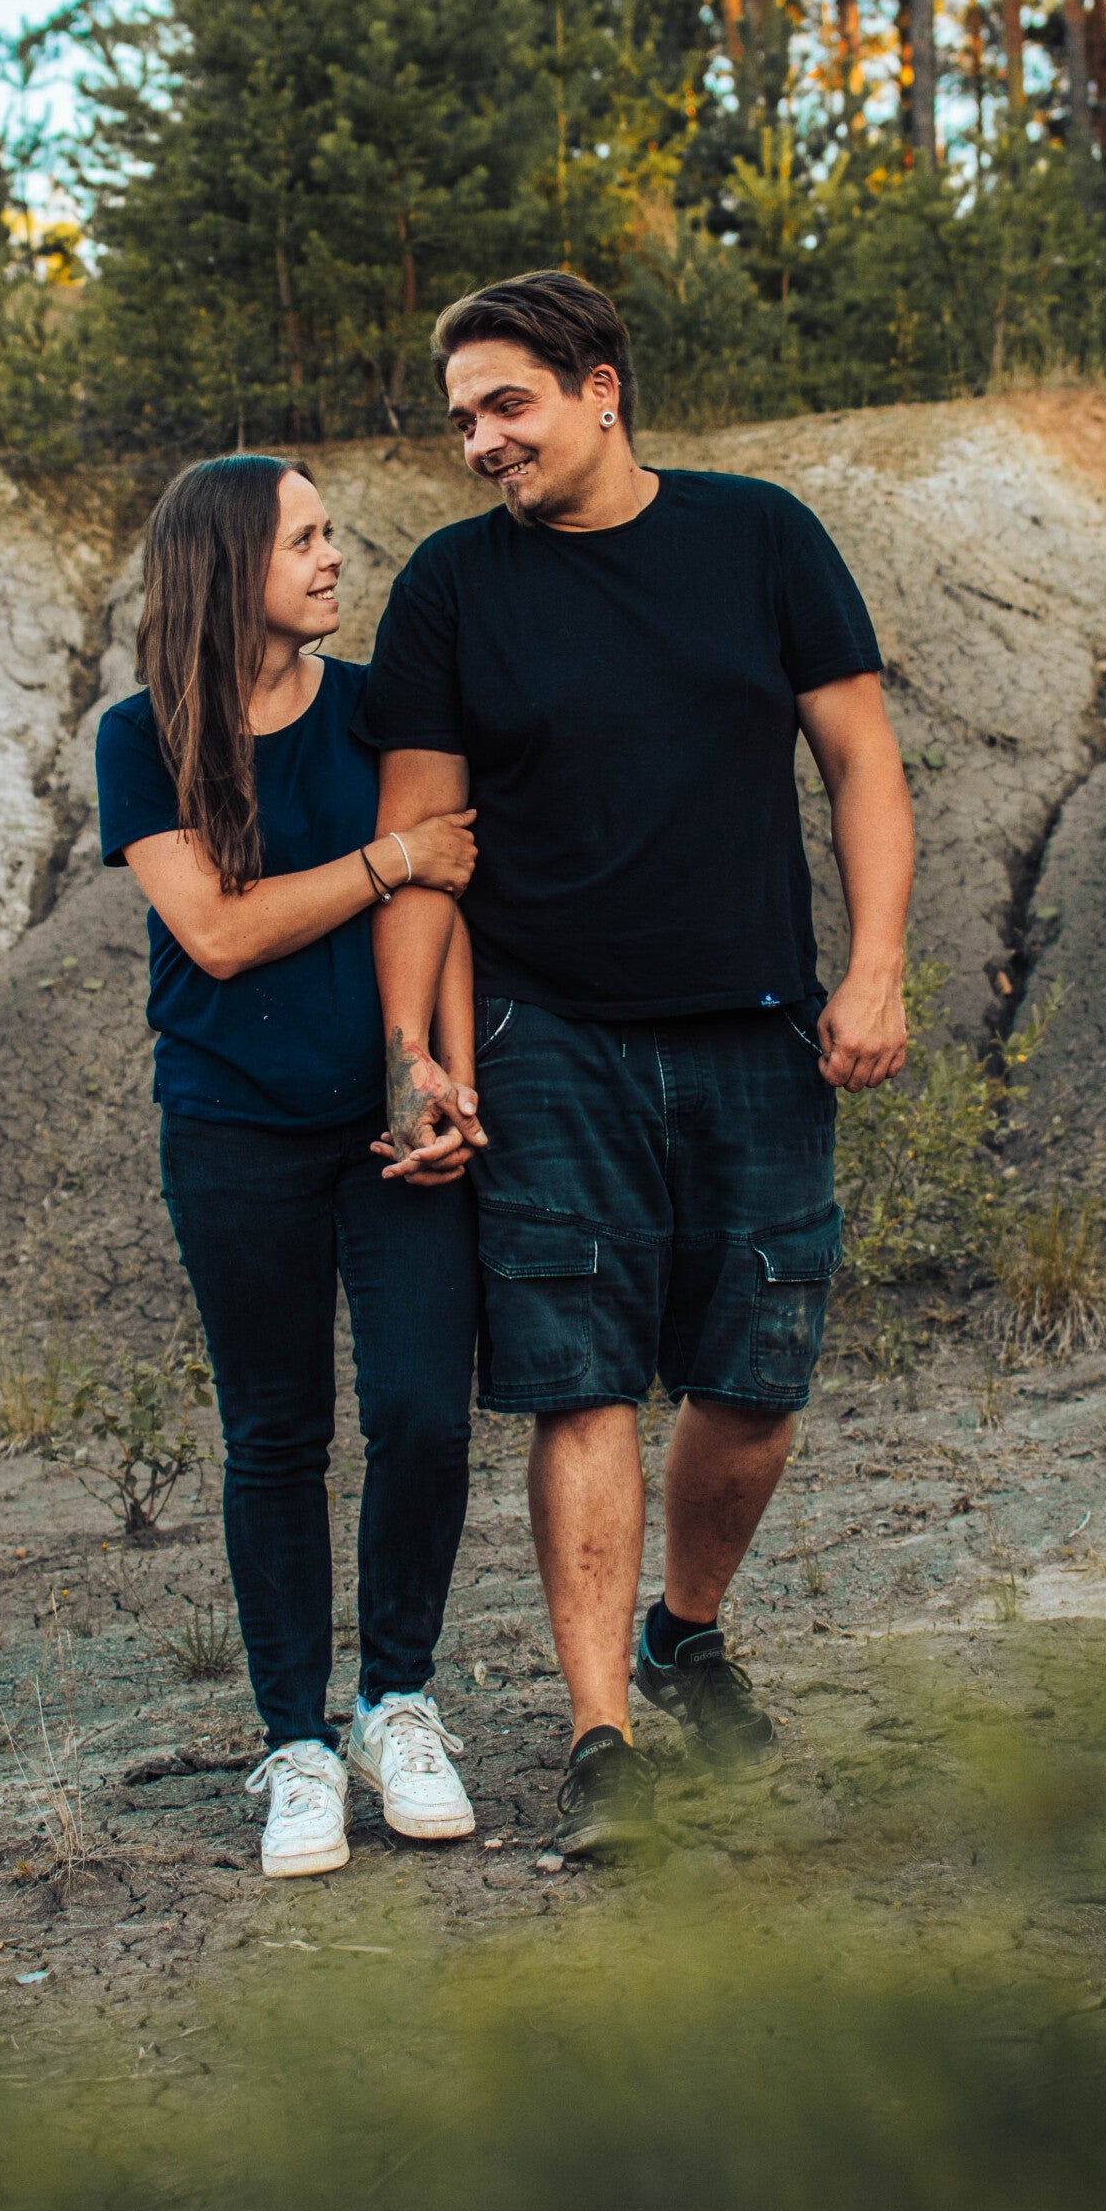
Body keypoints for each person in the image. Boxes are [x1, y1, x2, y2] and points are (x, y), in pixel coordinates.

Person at [354, 272, 915, 1857]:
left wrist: (875, 968)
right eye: (463, 419)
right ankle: (600, 1736)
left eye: (507, 405)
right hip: (548, 1038)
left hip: (758, 1025)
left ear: (601, 388)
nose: (481, 442)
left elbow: (862, 760)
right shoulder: (452, 588)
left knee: (757, 1381)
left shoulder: (761, 538)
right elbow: (422, 844)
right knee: (579, 1377)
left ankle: (685, 1630)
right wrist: (412, 1053)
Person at [95, 455, 486, 1880]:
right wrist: (389, 857)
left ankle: (395, 1706)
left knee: (424, 1414)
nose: (334, 558)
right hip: (229, 1127)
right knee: (275, 1436)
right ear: (227, 567)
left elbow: (454, 895)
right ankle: (296, 1747)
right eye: (305, 540)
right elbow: (215, 932)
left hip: (387, 1128)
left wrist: (451, 1079)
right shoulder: (140, 736)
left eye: (331, 535)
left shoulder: (380, 709)